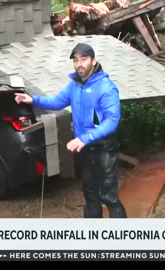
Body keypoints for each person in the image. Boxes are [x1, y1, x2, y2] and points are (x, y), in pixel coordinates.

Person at [15, 43, 127, 218]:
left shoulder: (106, 87)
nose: (79, 64)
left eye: (84, 59)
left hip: (103, 148)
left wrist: (86, 137)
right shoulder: (74, 85)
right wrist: (32, 99)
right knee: (90, 195)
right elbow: (57, 102)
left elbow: (112, 120)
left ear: (93, 61)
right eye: (76, 60)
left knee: (109, 196)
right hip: (83, 148)